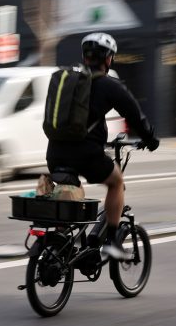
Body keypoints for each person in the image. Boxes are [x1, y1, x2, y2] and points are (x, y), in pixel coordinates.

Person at [45, 32, 159, 260]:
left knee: (69, 192)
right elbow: (135, 116)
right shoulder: (109, 85)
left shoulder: (69, 81)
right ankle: (112, 243)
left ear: (85, 57)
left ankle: (61, 243)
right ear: (108, 59)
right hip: (85, 154)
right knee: (116, 182)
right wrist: (150, 139)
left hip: (55, 152)